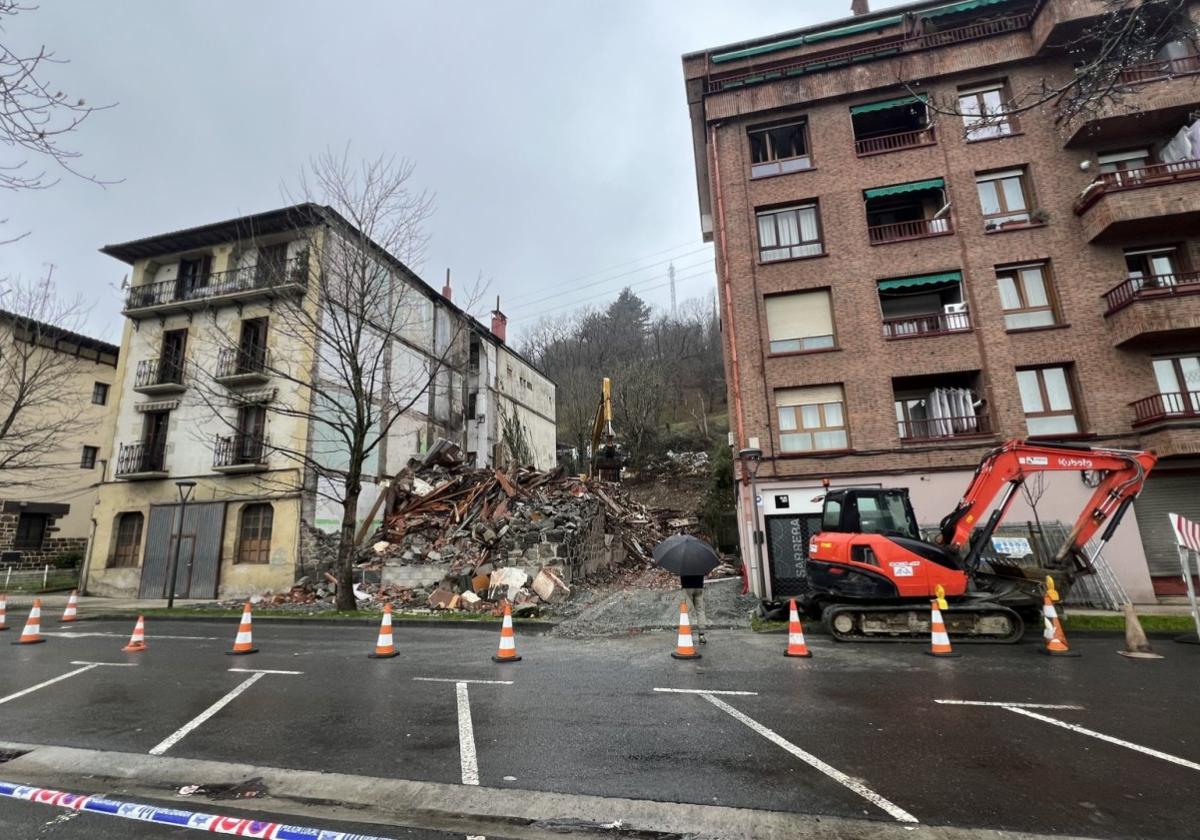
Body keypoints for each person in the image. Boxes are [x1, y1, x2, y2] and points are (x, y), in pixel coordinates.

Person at [680, 573, 707, 644]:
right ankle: (702, 635)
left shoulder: (683, 562)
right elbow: (704, 572)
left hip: (687, 586)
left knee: (688, 611)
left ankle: (689, 635)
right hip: (699, 586)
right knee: (700, 610)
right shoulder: (701, 561)